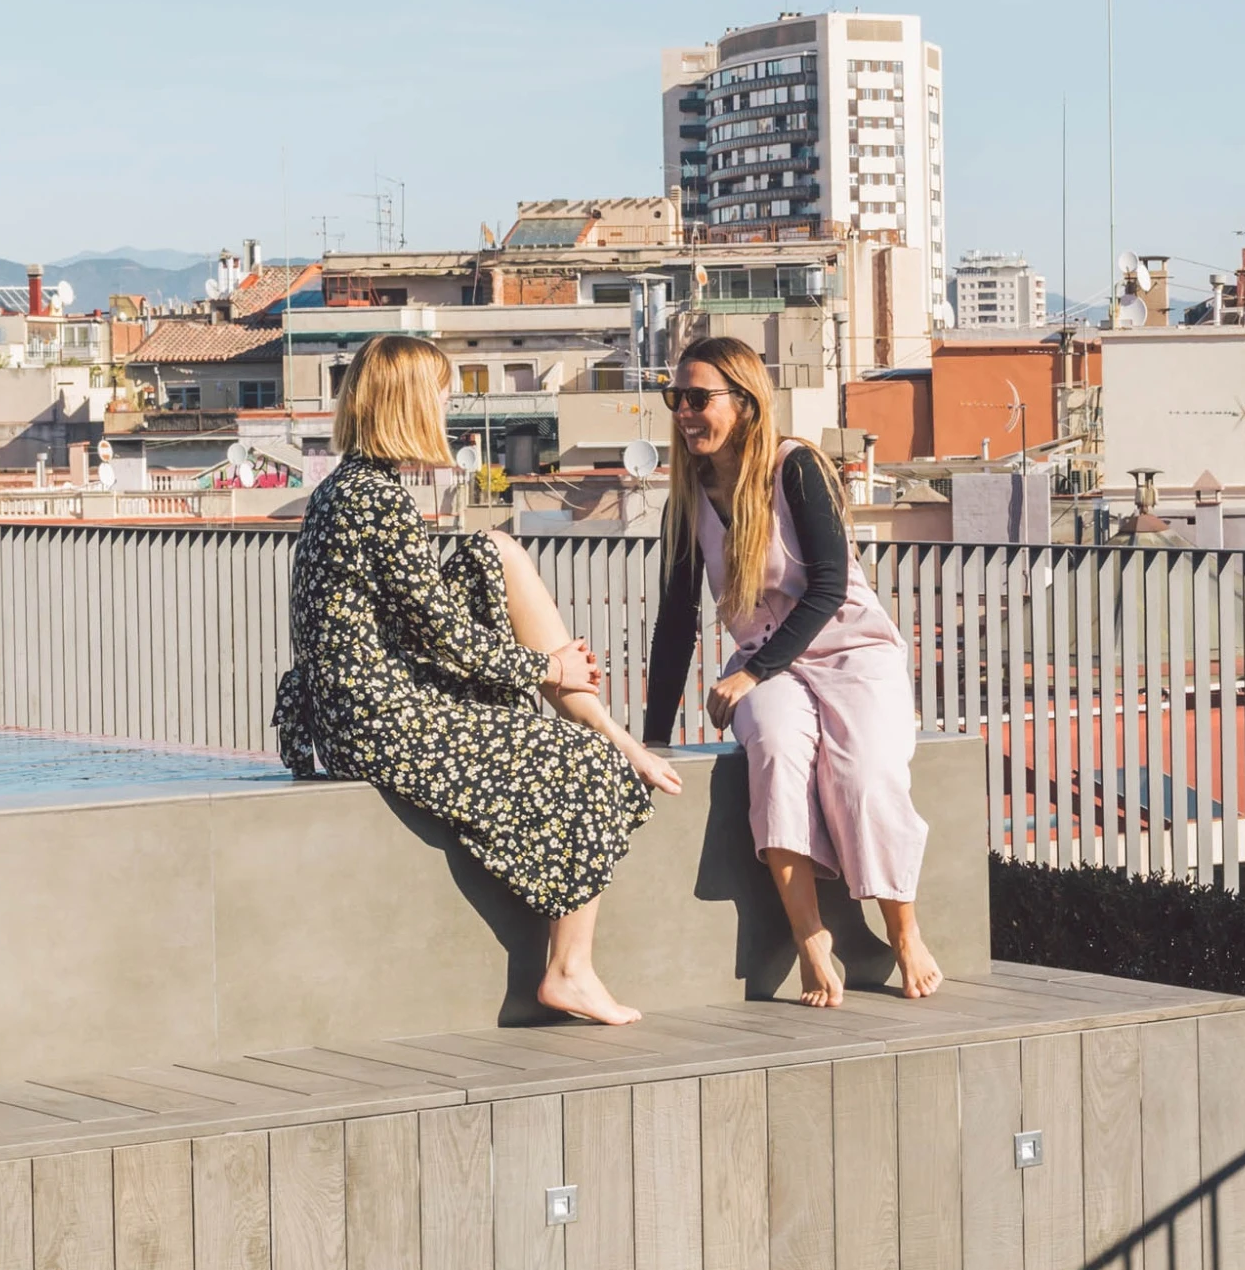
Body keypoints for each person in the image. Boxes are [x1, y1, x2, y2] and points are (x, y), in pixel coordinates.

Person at [272, 334, 681, 1026]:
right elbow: (445, 638)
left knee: (493, 550)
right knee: (585, 761)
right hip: (377, 723)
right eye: (438, 391)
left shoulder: (348, 489)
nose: (446, 404)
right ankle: (569, 969)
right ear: (407, 404)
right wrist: (547, 667)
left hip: (353, 712)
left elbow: (423, 622)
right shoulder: (375, 500)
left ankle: (606, 726)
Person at [643, 335, 941, 1008]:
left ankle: (903, 929)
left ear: (745, 403)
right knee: (774, 752)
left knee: (864, 774)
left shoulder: (795, 467)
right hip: (766, 666)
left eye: (699, 398)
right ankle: (810, 938)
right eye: (676, 398)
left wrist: (753, 674)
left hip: (849, 650)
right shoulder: (685, 502)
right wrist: (650, 741)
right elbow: (673, 626)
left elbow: (829, 586)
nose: (685, 412)